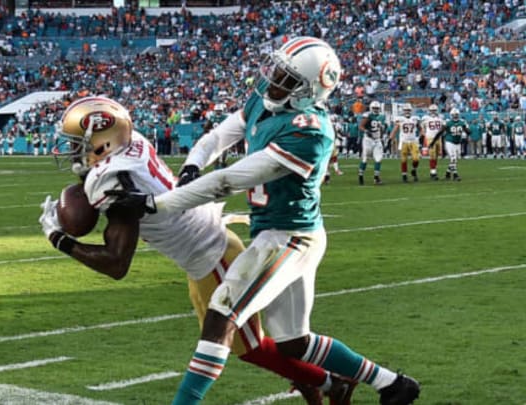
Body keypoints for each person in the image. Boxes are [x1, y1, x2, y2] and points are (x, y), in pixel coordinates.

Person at [104, 37, 420, 405]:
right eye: (275, 70)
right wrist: (192, 164)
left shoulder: (309, 131)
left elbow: (229, 180)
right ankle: (394, 384)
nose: (272, 81)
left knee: (222, 314)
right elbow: (221, 135)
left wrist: (154, 204)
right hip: (285, 233)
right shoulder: (265, 102)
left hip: (290, 236)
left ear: (308, 91)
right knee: (293, 342)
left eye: (285, 78)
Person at [39, 96, 356, 405]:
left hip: (212, 255)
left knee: (250, 348)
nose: (71, 150)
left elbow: (116, 264)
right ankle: (324, 384)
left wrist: (59, 239)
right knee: (249, 346)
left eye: (77, 142)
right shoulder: (130, 143)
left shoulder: (113, 179)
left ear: (104, 140)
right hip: (202, 257)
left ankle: (331, 382)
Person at [428, 108, 470, 181]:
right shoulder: (448, 122)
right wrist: (433, 142)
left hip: (458, 142)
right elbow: (440, 132)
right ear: (451, 115)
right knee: (453, 158)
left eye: (456, 115)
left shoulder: (462, 122)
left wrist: (466, 130)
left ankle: (447, 173)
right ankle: (455, 175)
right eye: (454, 115)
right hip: (449, 142)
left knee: (455, 160)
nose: (455, 116)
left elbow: (468, 132)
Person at [358, 100, 387, 185]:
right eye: (374, 108)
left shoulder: (382, 116)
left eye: (377, 108)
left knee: (378, 158)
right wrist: (366, 131)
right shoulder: (368, 115)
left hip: (377, 139)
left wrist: (382, 137)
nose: (375, 109)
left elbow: (381, 128)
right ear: (371, 108)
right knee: (365, 158)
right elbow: (361, 126)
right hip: (368, 139)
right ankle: (360, 175)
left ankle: (376, 177)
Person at [389, 103, 420, 183]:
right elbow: (395, 129)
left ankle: (414, 170)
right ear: (403, 111)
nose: (407, 111)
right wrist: (390, 138)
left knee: (416, 158)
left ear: (411, 110)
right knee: (403, 159)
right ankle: (404, 175)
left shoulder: (415, 118)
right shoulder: (400, 119)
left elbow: (421, 129)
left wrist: (422, 137)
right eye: (406, 110)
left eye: (408, 110)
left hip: (413, 140)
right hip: (403, 141)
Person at [420, 104, 445, 180]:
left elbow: (442, 128)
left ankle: (434, 171)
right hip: (430, 138)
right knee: (432, 155)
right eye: (432, 110)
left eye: (434, 110)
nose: (433, 112)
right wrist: (424, 135)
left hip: (438, 138)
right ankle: (433, 172)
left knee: (437, 155)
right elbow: (422, 128)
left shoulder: (440, 118)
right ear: (429, 111)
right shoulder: (426, 118)